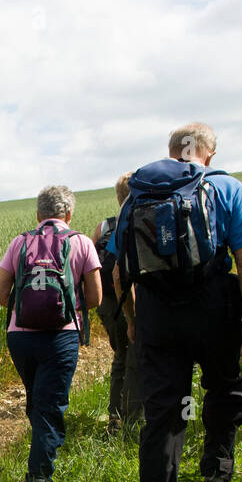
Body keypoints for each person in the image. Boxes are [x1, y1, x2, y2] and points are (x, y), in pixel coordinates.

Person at [111, 123, 242, 482]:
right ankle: (216, 478)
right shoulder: (228, 189)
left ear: (172, 152)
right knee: (223, 388)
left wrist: (132, 320)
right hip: (214, 306)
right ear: (209, 155)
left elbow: (117, 270)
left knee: (163, 412)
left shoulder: (140, 193)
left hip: (158, 314)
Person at [0, 185, 103, 482]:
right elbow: (95, 298)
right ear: (69, 213)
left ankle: (40, 456)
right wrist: (65, 307)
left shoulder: (20, 242)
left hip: (20, 338)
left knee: (37, 402)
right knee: (49, 406)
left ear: (38, 214)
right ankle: (38, 481)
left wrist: (28, 309)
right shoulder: (80, 242)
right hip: (61, 338)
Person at [93, 174, 143, 432]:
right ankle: (134, 417)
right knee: (136, 356)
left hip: (110, 304)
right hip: (131, 298)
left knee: (120, 356)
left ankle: (114, 416)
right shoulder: (141, 219)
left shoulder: (104, 226)